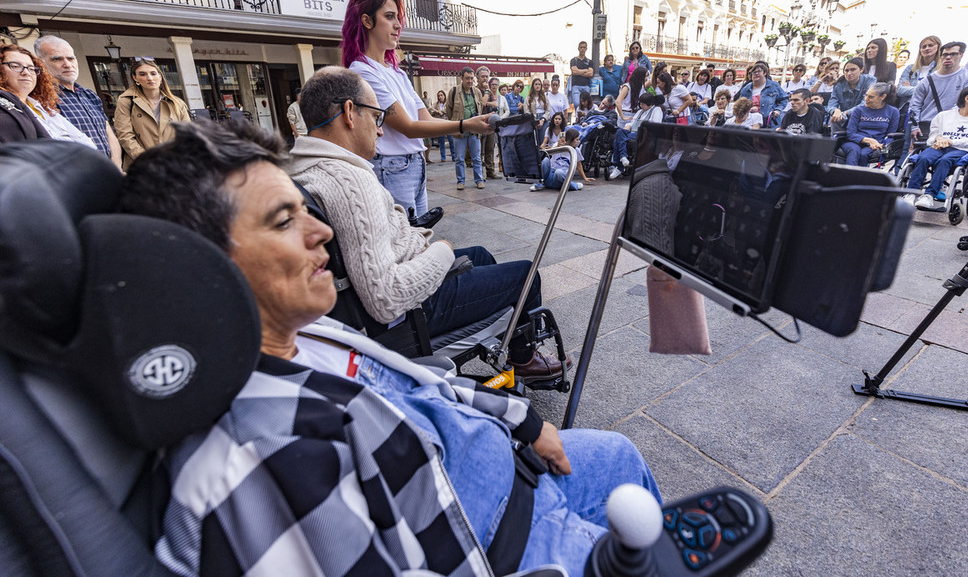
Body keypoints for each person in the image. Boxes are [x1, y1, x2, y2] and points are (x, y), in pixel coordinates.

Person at [120, 116, 660, 577]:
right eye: (285, 220)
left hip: (492, 468)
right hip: (501, 544)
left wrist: (521, 419)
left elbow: (418, 382)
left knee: (620, 453)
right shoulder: (253, 457)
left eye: (304, 209)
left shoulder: (307, 331)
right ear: (201, 267)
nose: (321, 232)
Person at [290, 67, 568, 383]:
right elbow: (385, 298)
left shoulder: (308, 166)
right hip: (410, 313)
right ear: (350, 113)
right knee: (526, 275)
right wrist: (440, 252)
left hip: (386, 289)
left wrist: (414, 240)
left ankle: (511, 346)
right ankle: (526, 359)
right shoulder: (349, 181)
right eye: (377, 117)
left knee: (479, 255)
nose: (381, 131)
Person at [343, 0, 491, 216]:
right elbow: (409, 128)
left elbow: (426, 119)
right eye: (389, 16)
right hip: (391, 167)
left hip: (414, 164)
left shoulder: (398, 72)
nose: (398, 25)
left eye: (398, 18)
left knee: (418, 239)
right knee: (407, 242)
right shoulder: (363, 72)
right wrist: (465, 125)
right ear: (367, 21)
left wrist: (471, 122)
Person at [905, 83, 968, 210]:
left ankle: (929, 195)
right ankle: (911, 193)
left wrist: (950, 141)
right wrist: (938, 138)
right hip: (938, 147)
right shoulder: (943, 116)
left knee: (945, 160)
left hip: (963, 150)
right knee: (924, 158)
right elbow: (931, 138)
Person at [34, 35, 122, 165]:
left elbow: (109, 133)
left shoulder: (89, 95)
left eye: (70, 58)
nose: (67, 64)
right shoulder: (41, 98)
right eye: (57, 59)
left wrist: (116, 165)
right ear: (40, 63)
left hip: (107, 171)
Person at [0, 45, 96, 149]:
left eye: (31, 68)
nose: (26, 72)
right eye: (15, 66)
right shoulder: (4, 111)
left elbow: (85, 142)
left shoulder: (43, 109)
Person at [113, 58, 190, 169]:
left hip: (174, 165)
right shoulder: (126, 101)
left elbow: (187, 136)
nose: (149, 78)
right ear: (135, 78)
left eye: (153, 73)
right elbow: (125, 136)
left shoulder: (177, 103)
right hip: (142, 165)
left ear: (160, 76)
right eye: (142, 74)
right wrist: (148, 160)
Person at [908, 41, 968, 143]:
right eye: (945, 54)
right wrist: (915, 126)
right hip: (927, 125)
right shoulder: (927, 81)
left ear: (961, 55)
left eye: (953, 54)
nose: (948, 57)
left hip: (955, 125)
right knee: (925, 157)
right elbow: (915, 104)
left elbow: (966, 102)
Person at [446, 67, 485, 189]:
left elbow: (480, 109)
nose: (469, 81)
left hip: (474, 130)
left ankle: (479, 180)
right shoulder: (453, 92)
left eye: (472, 78)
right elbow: (449, 110)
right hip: (459, 130)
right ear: (461, 78)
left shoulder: (477, 92)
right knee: (459, 158)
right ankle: (460, 182)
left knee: (477, 158)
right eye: (467, 78)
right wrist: (454, 124)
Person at [842, 83, 900, 165]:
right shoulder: (859, 110)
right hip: (854, 142)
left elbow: (890, 135)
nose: (866, 99)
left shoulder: (893, 112)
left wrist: (882, 145)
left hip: (876, 144)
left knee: (863, 154)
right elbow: (850, 134)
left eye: (871, 97)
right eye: (866, 95)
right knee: (854, 152)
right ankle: (849, 176)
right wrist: (869, 140)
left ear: (882, 97)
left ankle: (861, 177)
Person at [530, 126, 594, 192]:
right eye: (577, 140)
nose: (578, 142)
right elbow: (548, 153)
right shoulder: (557, 145)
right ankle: (538, 184)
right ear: (571, 140)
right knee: (546, 160)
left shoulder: (576, 150)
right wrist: (558, 146)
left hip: (561, 177)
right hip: (550, 175)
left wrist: (585, 178)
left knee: (559, 172)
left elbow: (579, 165)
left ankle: (574, 185)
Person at [610, 66, 646, 179]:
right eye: (645, 76)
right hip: (626, 114)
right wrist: (622, 116)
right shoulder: (627, 86)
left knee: (624, 139)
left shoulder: (643, 88)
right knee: (619, 138)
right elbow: (618, 101)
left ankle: (621, 163)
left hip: (636, 114)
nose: (646, 78)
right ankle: (617, 163)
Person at [827, 58, 876, 133]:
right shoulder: (839, 84)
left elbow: (866, 103)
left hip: (863, 118)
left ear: (861, 70)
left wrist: (845, 113)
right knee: (834, 117)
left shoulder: (870, 80)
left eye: (853, 70)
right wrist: (835, 110)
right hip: (843, 119)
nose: (849, 73)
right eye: (846, 70)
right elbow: (831, 104)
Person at [737, 62, 788, 127]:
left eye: (759, 71)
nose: (756, 74)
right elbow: (740, 105)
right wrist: (748, 109)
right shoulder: (746, 89)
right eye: (753, 72)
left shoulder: (774, 86)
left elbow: (784, 99)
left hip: (770, 123)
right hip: (751, 123)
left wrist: (777, 110)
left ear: (765, 73)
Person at [481, 76, 501, 178]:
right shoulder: (477, 90)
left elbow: (495, 104)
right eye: (492, 84)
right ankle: (480, 174)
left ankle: (490, 171)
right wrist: (487, 95)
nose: (494, 86)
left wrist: (487, 103)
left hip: (491, 123)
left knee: (490, 148)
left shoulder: (491, 93)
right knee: (480, 150)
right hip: (480, 123)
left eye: (495, 84)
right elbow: (483, 103)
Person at [526, 77, 551, 146]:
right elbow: (526, 111)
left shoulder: (544, 96)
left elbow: (548, 110)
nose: (537, 86)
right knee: (534, 140)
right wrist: (534, 120)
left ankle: (542, 155)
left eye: (539, 84)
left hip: (544, 118)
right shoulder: (528, 98)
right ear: (533, 86)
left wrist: (543, 119)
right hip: (533, 119)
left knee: (543, 139)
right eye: (536, 84)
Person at [569, 41, 594, 109]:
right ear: (578, 48)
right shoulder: (574, 60)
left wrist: (579, 71)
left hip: (586, 86)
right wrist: (585, 70)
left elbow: (590, 73)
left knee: (586, 105)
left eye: (584, 47)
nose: (582, 49)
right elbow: (574, 71)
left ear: (586, 49)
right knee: (577, 104)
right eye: (581, 47)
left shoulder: (589, 61)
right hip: (576, 86)